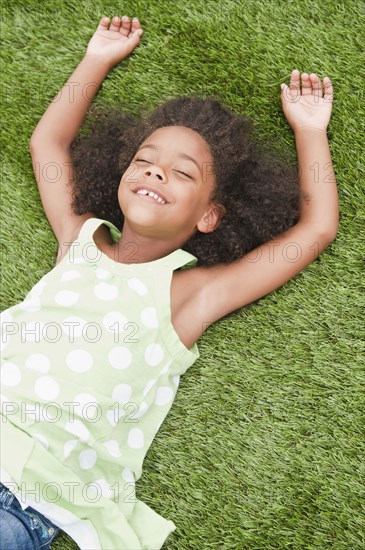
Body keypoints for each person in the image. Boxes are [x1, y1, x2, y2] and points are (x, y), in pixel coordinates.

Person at [0, 14, 339, 550]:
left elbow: (317, 228)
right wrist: (97, 58)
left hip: (30, 498)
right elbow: (47, 144)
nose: (156, 172)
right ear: (119, 177)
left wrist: (310, 131)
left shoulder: (191, 295)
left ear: (210, 215)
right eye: (144, 161)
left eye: (183, 173)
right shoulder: (78, 240)